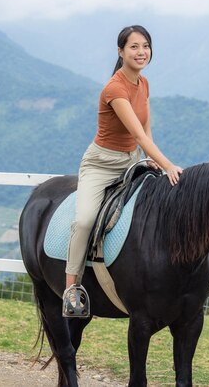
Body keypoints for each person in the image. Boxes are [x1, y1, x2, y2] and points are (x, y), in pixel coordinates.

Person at [63, 25, 183, 317]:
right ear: (120, 52)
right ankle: (71, 290)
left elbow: (146, 131)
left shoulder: (144, 83)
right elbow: (138, 135)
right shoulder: (115, 88)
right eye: (133, 47)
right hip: (101, 164)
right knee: (85, 220)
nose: (141, 52)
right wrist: (167, 164)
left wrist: (149, 159)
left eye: (145, 46)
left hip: (132, 160)